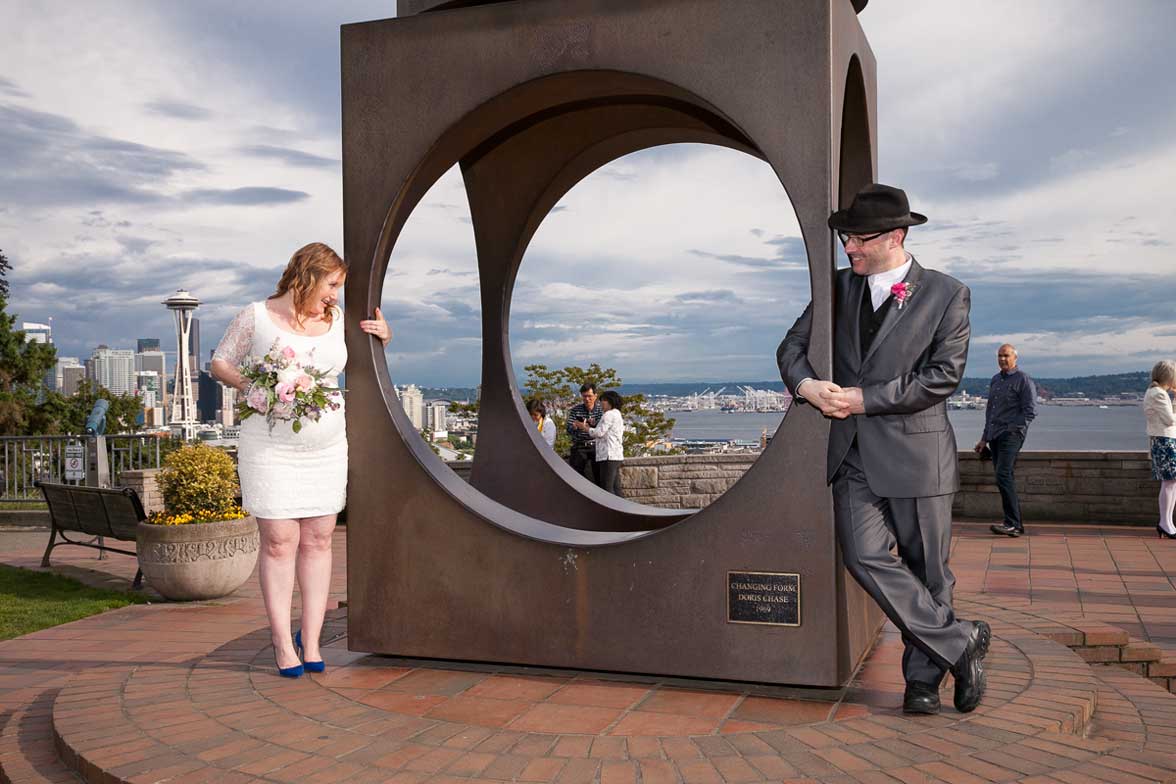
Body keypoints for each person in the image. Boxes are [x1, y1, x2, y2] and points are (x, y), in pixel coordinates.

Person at [777, 183, 989, 716]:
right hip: (851, 455)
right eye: (846, 237)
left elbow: (942, 377)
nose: (848, 248)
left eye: (859, 239)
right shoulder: (837, 288)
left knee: (928, 572)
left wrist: (862, 399)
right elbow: (791, 347)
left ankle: (921, 683)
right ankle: (959, 642)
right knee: (864, 556)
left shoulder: (947, 293)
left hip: (918, 457)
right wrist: (807, 387)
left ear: (896, 237)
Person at [211, 242, 390, 678]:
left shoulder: (339, 322)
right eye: (331, 285)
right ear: (306, 276)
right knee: (278, 541)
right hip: (270, 448)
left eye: (339, 287)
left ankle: (310, 641)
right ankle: (280, 639)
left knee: (319, 540)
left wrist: (386, 336)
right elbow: (219, 362)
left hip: (326, 448)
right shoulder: (256, 316)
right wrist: (254, 389)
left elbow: (367, 358)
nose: (335, 295)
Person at [975, 344, 1036, 537]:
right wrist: (984, 439)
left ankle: (1014, 524)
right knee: (1003, 476)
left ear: (1015, 358)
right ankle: (1012, 523)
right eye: (1000, 356)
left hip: (1011, 435)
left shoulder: (1023, 380)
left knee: (1003, 475)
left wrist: (1011, 429)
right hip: (994, 436)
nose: (1002, 359)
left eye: (1006, 355)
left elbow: (1030, 411)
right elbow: (990, 412)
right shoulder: (995, 380)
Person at [1144, 361, 1176, 540]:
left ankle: (1168, 522)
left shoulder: (1156, 393)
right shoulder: (1159, 394)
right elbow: (1170, 420)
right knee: (1169, 482)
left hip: (1165, 440)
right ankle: (1165, 522)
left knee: (1171, 483)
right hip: (1165, 441)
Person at [572, 390, 624, 495]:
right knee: (616, 487)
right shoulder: (617, 413)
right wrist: (593, 425)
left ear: (609, 401)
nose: (601, 404)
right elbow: (605, 431)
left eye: (602, 401)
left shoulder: (608, 414)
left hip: (608, 455)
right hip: (616, 454)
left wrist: (584, 428)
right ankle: (621, 509)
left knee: (607, 488)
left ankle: (610, 510)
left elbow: (599, 433)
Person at [565, 382, 603, 481]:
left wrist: (589, 426)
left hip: (596, 445)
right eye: (584, 396)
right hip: (580, 445)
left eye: (589, 396)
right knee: (577, 476)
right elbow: (568, 429)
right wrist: (574, 427)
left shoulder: (600, 410)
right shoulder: (575, 410)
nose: (587, 399)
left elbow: (602, 430)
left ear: (595, 396)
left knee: (599, 475)